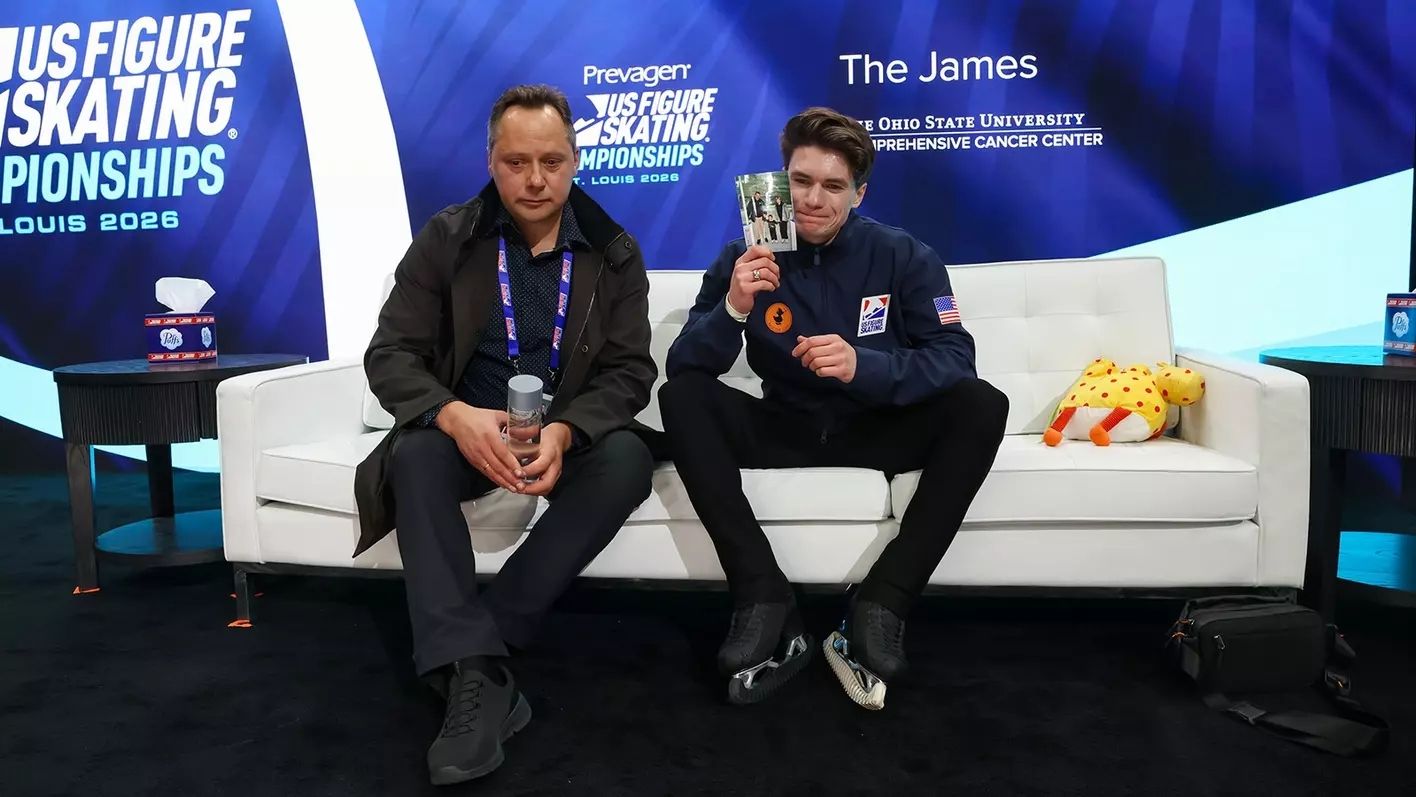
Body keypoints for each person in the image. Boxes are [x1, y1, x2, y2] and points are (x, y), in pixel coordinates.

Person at [355, 84, 656, 784]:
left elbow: (630, 372)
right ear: (491, 161)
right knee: (416, 453)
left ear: (575, 161)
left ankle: (475, 652)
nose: (535, 179)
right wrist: (452, 414)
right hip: (468, 432)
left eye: (551, 161)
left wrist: (567, 432)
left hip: (560, 438)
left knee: (628, 458)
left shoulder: (613, 251)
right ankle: (482, 672)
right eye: (517, 162)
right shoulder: (448, 238)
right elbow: (390, 354)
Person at [659, 107, 1008, 710]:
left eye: (833, 185)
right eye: (800, 181)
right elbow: (686, 363)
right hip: (784, 426)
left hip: (874, 426)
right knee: (682, 397)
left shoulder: (903, 255)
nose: (813, 200)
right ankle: (763, 596)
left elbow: (955, 359)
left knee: (982, 404)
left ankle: (882, 604)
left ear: (858, 193)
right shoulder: (745, 256)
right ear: (782, 180)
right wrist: (734, 307)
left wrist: (862, 366)